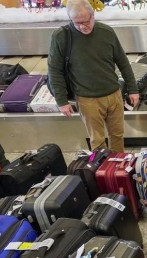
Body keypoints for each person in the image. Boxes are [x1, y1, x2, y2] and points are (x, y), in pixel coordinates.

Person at [48, 0, 139, 153]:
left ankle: (117, 171)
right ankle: (102, 172)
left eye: (86, 21)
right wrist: (61, 101)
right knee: (97, 140)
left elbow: (123, 62)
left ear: (93, 15)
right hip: (87, 99)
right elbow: (54, 70)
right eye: (77, 23)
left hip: (114, 94)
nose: (83, 26)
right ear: (70, 19)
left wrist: (133, 88)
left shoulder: (106, 32)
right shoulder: (61, 36)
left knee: (117, 135)